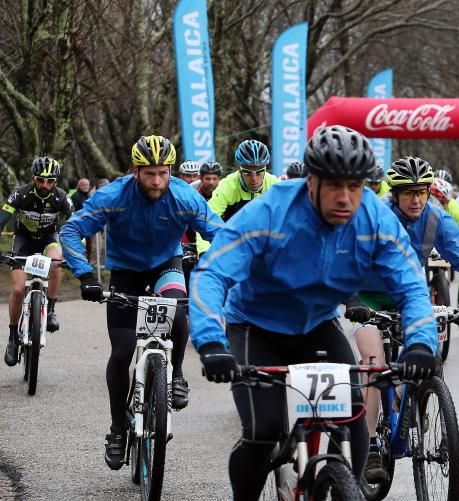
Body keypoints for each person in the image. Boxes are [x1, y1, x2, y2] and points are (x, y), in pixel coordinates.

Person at [188, 126, 440, 501]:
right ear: (312, 183)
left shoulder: (373, 219)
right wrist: (210, 343)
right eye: (335, 186)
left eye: (356, 186)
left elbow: (410, 283)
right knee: (263, 432)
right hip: (254, 326)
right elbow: (212, 272)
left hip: (317, 326)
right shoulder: (270, 211)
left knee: (353, 416)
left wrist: (423, 342)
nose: (346, 197)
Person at [59, 135, 223, 470]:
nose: (158, 181)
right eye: (150, 174)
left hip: (166, 265)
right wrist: (85, 274)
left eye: (163, 172)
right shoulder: (113, 195)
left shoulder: (184, 196)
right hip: (125, 273)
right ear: (135, 171)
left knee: (177, 309)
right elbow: (71, 231)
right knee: (121, 353)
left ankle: (175, 374)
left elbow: (219, 232)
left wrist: (223, 272)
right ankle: (118, 429)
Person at [347, 156, 459, 481]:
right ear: (395, 194)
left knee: (430, 355)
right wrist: (352, 297)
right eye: (408, 193)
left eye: (422, 193)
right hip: (369, 300)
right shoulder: (376, 217)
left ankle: (414, 397)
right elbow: (351, 256)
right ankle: (370, 444)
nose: (416, 200)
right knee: (373, 359)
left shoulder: (435, 219)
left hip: (409, 298)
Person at [1, 157, 73, 365]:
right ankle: (13, 336)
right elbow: (2, 218)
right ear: (34, 178)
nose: (45, 185)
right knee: (16, 290)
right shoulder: (20, 194)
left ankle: (50, 310)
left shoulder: (61, 198)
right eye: (41, 180)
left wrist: (75, 254)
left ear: (56, 181)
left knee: (56, 263)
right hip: (23, 241)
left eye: (50, 181)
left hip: (48, 240)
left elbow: (77, 224)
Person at [208, 139, 279, 221]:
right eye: (247, 172)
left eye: (259, 172)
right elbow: (208, 220)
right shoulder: (228, 185)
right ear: (239, 169)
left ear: (265, 169)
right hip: (233, 231)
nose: (254, 179)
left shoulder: (275, 185)